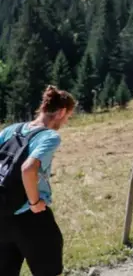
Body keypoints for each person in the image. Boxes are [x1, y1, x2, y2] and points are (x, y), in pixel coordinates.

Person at [0, 85, 76, 276]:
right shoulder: (49, 136)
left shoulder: (11, 130)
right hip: (30, 216)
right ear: (61, 112)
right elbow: (28, 168)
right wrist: (34, 202)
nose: (66, 121)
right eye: (68, 117)